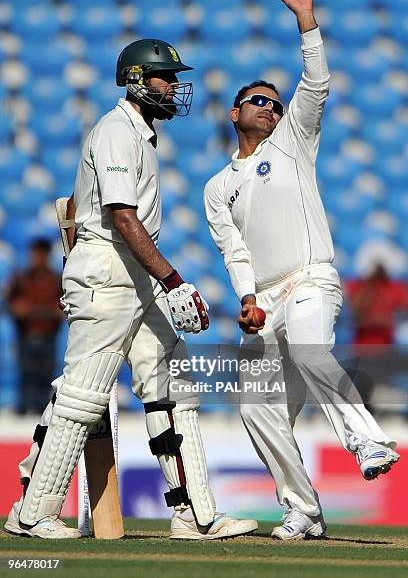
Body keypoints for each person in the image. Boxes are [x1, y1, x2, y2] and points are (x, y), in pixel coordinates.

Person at [4, 39, 257, 540]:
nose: (173, 88)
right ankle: (33, 513)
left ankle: (194, 514)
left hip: (126, 275)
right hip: (111, 273)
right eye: (165, 78)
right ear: (138, 79)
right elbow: (122, 217)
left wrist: (72, 264)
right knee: (82, 397)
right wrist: (173, 281)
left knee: (172, 387)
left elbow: (75, 203)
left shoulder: (138, 135)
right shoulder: (117, 130)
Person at [204, 0, 399, 541]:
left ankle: (364, 438)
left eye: (276, 103)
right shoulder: (219, 186)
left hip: (311, 279)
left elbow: (316, 83)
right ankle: (303, 509)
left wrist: (306, 23)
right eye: (260, 101)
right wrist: (246, 299)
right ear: (237, 111)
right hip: (263, 300)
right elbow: (232, 249)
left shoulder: (292, 140)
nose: (271, 109)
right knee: (257, 409)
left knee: (313, 348)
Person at [7, 238, 63, 414]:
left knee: (46, 373)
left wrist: (50, 312)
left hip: (48, 334)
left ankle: (43, 411)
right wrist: (20, 309)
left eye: (40, 254)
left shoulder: (56, 279)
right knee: (26, 372)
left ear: (46, 255)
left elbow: (64, 305)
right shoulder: (21, 278)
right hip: (27, 333)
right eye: (34, 254)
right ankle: (23, 408)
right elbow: (10, 303)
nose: (36, 258)